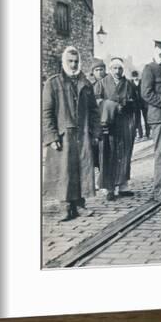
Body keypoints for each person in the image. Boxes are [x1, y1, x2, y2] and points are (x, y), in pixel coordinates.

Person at [42, 46, 101, 221]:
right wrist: (51, 137)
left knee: (81, 168)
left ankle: (80, 205)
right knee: (65, 170)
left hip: (82, 134)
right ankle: (65, 207)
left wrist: (95, 133)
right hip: (63, 134)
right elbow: (46, 112)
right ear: (64, 62)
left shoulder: (86, 84)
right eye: (70, 61)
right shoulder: (53, 83)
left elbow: (94, 111)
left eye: (76, 61)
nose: (73, 65)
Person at [94, 57, 137, 200]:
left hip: (124, 124)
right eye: (114, 68)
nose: (117, 71)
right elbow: (96, 102)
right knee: (108, 155)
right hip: (108, 124)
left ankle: (123, 185)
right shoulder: (102, 83)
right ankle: (109, 187)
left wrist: (128, 104)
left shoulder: (128, 84)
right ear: (110, 69)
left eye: (120, 68)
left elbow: (135, 103)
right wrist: (111, 106)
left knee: (124, 155)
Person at [141, 40, 161, 202]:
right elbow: (146, 94)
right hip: (158, 118)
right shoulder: (149, 69)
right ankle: (158, 191)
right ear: (154, 52)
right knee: (160, 154)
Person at [130, 70, 149, 139]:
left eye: (136, 76)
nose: (135, 78)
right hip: (135, 104)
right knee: (137, 119)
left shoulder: (142, 82)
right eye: (134, 77)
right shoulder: (130, 83)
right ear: (132, 77)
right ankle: (140, 134)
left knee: (146, 118)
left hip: (143, 102)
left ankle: (147, 134)